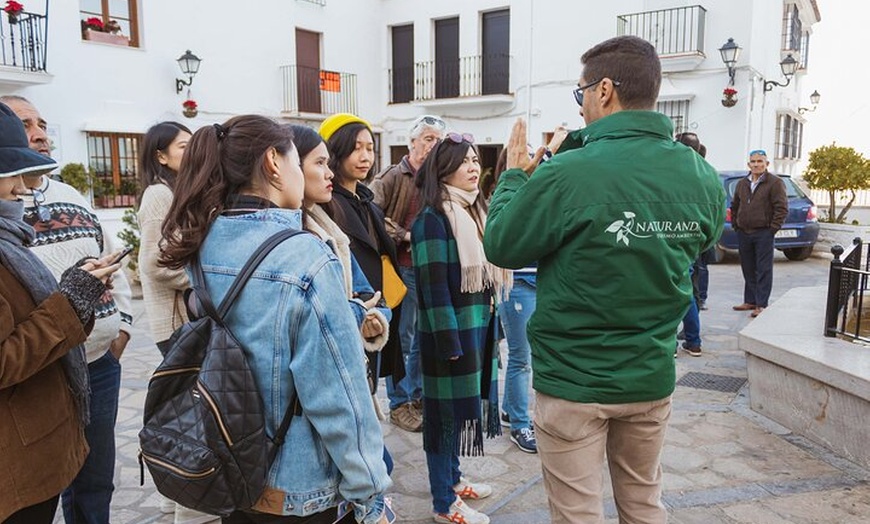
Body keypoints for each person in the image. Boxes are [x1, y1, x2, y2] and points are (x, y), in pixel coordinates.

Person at [483, 36, 725, 523]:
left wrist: (512, 177)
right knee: (644, 503)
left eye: (582, 93)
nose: (581, 105)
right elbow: (705, 241)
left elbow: (502, 244)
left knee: (577, 513)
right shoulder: (700, 174)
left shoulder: (568, 173)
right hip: (649, 376)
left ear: (605, 90)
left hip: (574, 382)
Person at [159, 116, 392, 524]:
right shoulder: (305, 257)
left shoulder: (204, 240)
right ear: (272, 162)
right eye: (298, 161)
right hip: (296, 484)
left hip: (231, 467)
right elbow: (338, 393)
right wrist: (368, 488)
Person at [2, 95, 134, 524]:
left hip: (96, 364)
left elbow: (109, 255)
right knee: (49, 489)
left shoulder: (69, 194)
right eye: (25, 125)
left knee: (95, 482)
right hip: (37, 385)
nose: (39, 133)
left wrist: (120, 328)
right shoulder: (9, 224)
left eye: (42, 124)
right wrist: (72, 299)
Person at [412, 131, 506, 524]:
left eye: (474, 160)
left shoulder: (471, 212)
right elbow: (433, 290)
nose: (472, 167)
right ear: (444, 169)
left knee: (457, 413)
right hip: (450, 339)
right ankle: (443, 503)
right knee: (443, 421)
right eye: (463, 161)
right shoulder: (431, 220)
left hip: (475, 331)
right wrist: (450, 343)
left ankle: (453, 480)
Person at [136, 121, 218, 524]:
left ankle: (175, 502)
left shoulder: (177, 192)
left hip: (184, 321)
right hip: (175, 324)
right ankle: (188, 509)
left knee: (186, 417)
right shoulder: (158, 195)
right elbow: (154, 263)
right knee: (192, 421)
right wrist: (206, 276)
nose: (191, 151)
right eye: (183, 146)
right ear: (161, 156)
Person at [290, 124, 392, 428]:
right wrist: (358, 310)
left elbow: (367, 292)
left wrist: (375, 317)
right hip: (318, 385)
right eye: (320, 163)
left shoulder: (330, 221)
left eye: (370, 148)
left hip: (351, 359)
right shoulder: (293, 234)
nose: (329, 173)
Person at [319, 113, 405, 417]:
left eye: (370, 148)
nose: (365, 156)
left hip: (376, 312)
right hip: (351, 311)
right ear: (336, 151)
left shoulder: (366, 202)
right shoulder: (327, 204)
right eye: (356, 148)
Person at [370, 114, 446, 432]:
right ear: (412, 142)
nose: (433, 145)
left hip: (428, 268)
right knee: (402, 338)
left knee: (421, 338)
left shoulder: (437, 178)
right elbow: (371, 213)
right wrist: (405, 235)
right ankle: (399, 404)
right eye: (428, 139)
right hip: (400, 270)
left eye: (438, 140)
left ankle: (415, 397)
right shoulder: (392, 175)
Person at [731, 149, 788, 318]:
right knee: (748, 268)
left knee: (763, 269)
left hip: (763, 232)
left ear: (766, 164)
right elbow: (735, 206)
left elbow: (781, 208)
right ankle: (750, 300)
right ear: (749, 164)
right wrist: (736, 225)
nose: (756, 165)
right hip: (744, 232)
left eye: (760, 161)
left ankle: (761, 304)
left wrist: (772, 229)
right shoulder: (742, 183)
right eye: (753, 162)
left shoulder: (775, 183)